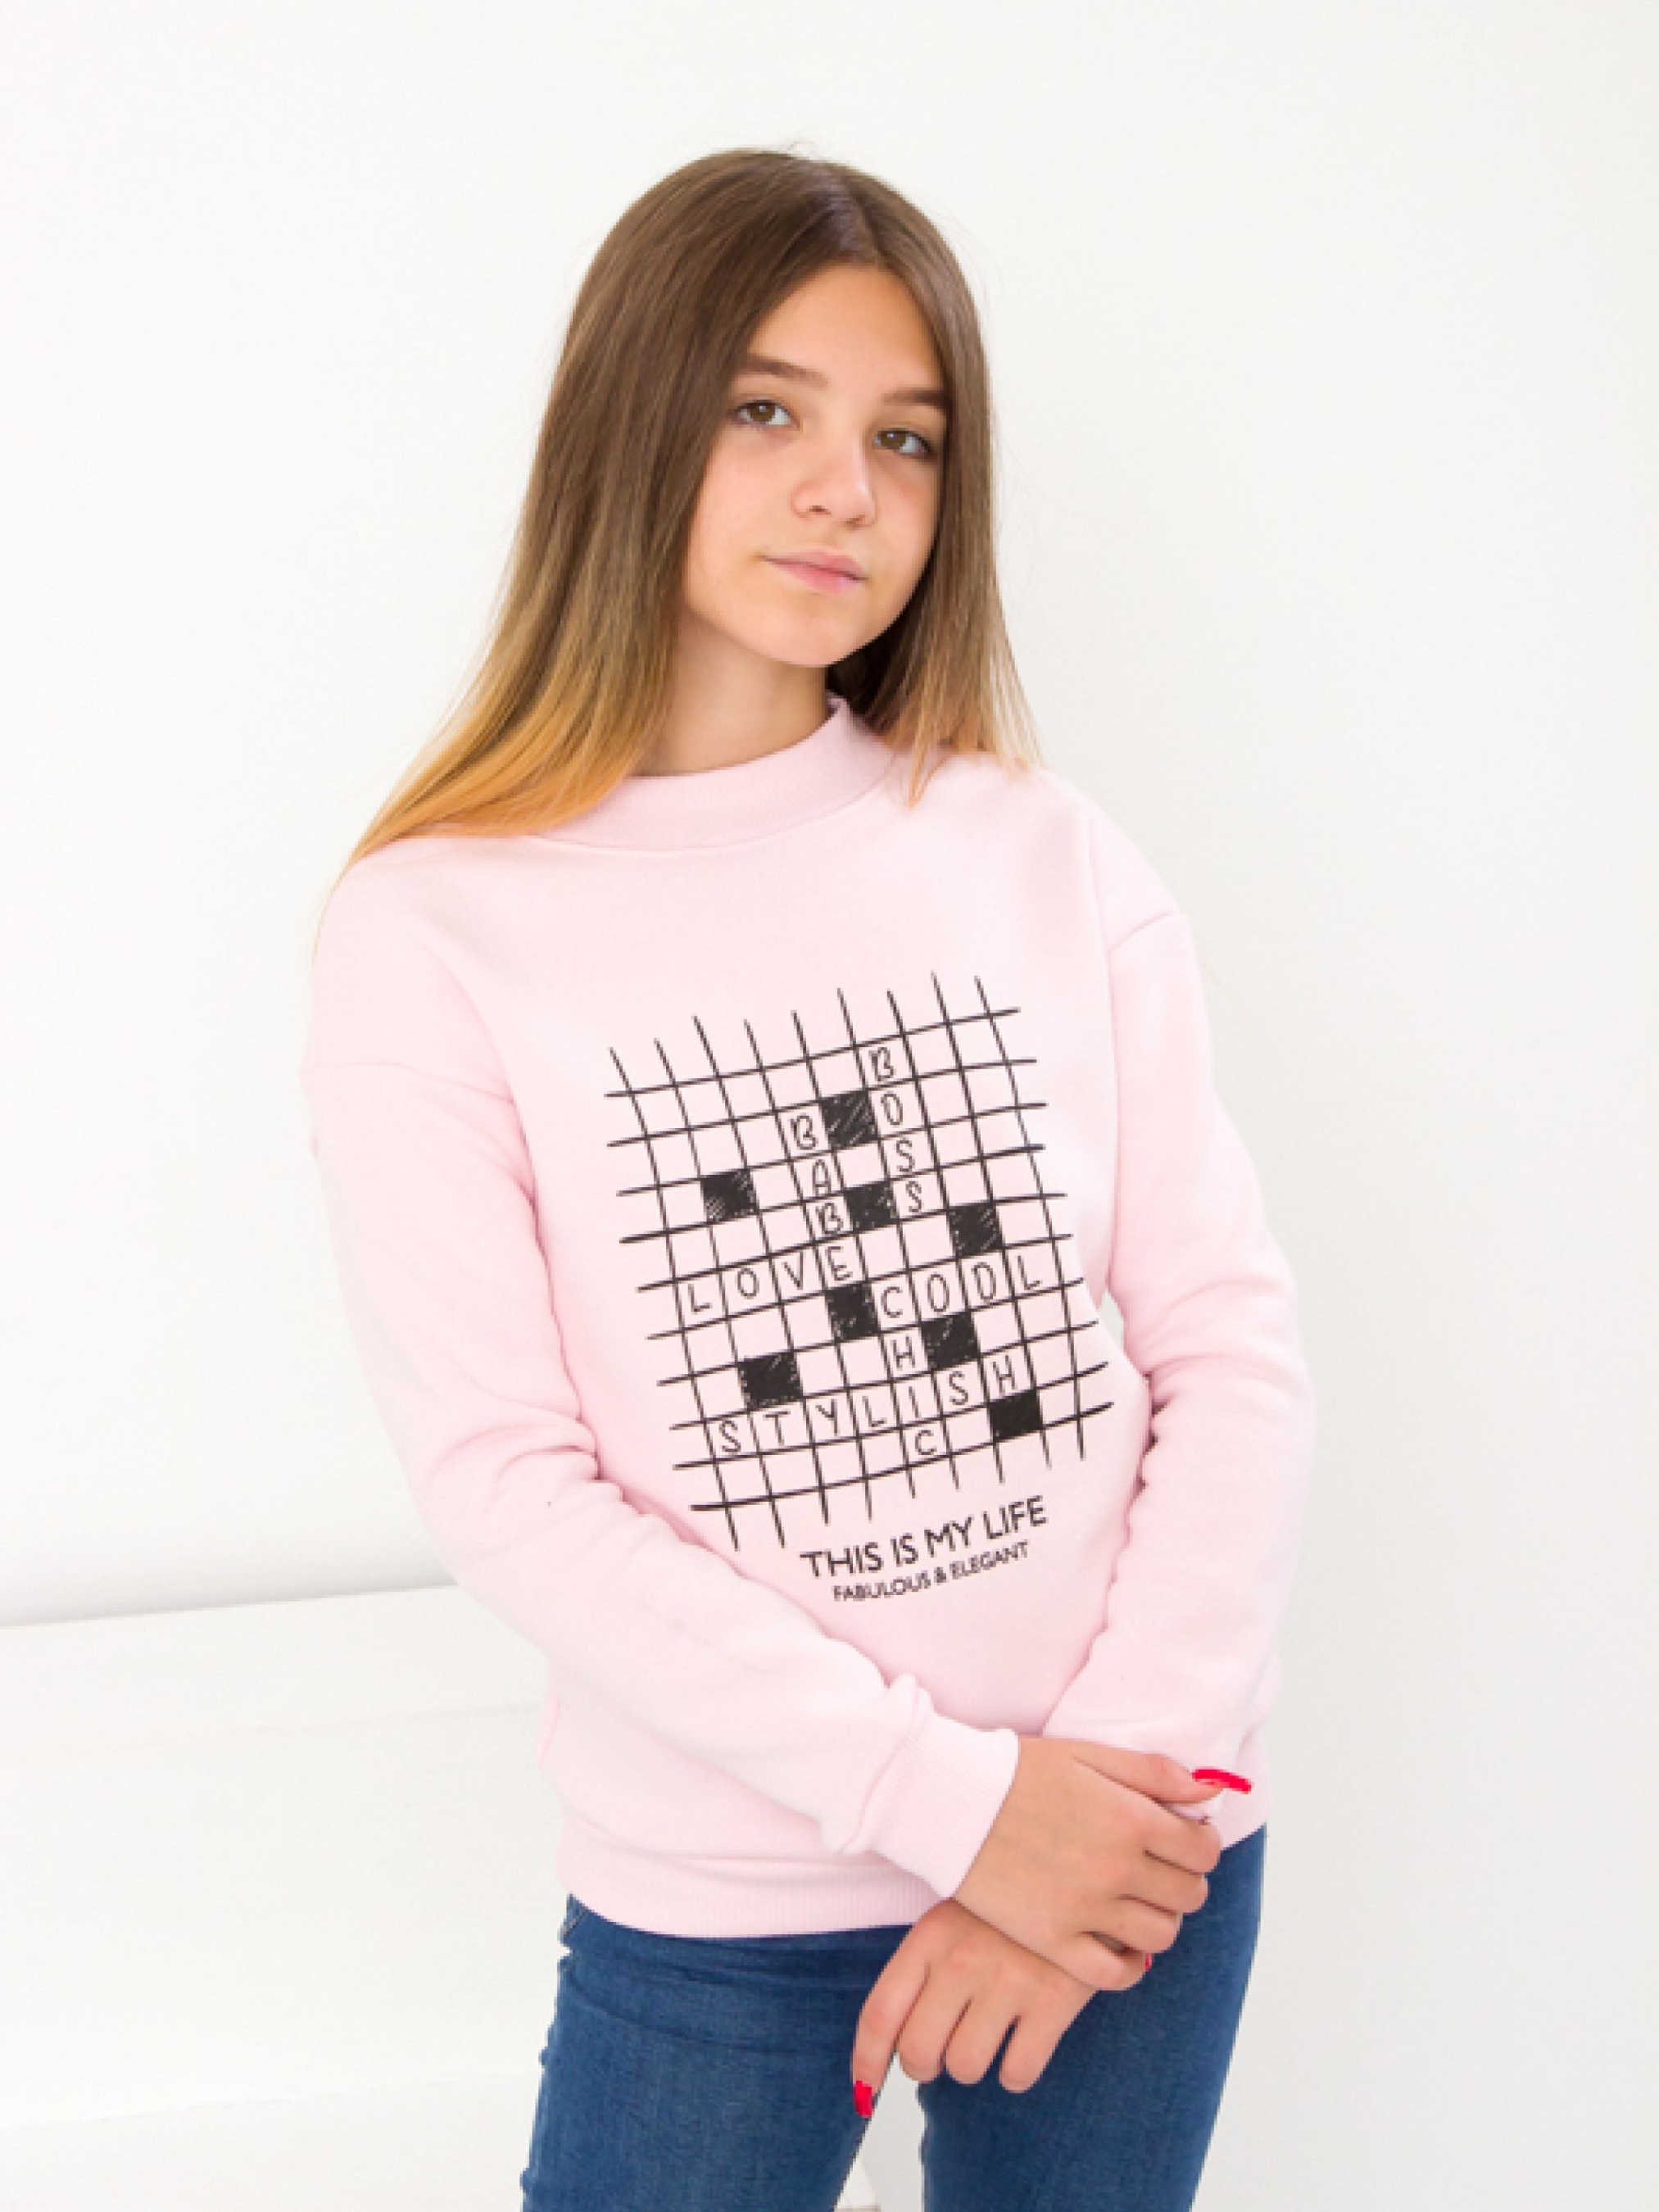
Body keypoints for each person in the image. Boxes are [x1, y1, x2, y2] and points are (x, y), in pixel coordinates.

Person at [299, 147, 1317, 2212]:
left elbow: (1224, 1348)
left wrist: (1097, 1805)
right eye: (765, 409)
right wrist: (954, 1809)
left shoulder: (1037, 851)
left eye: (904, 438)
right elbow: (508, 1481)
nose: (842, 488)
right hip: (731, 1900)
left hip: (1132, 1839)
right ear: (630, 424)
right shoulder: (433, 929)